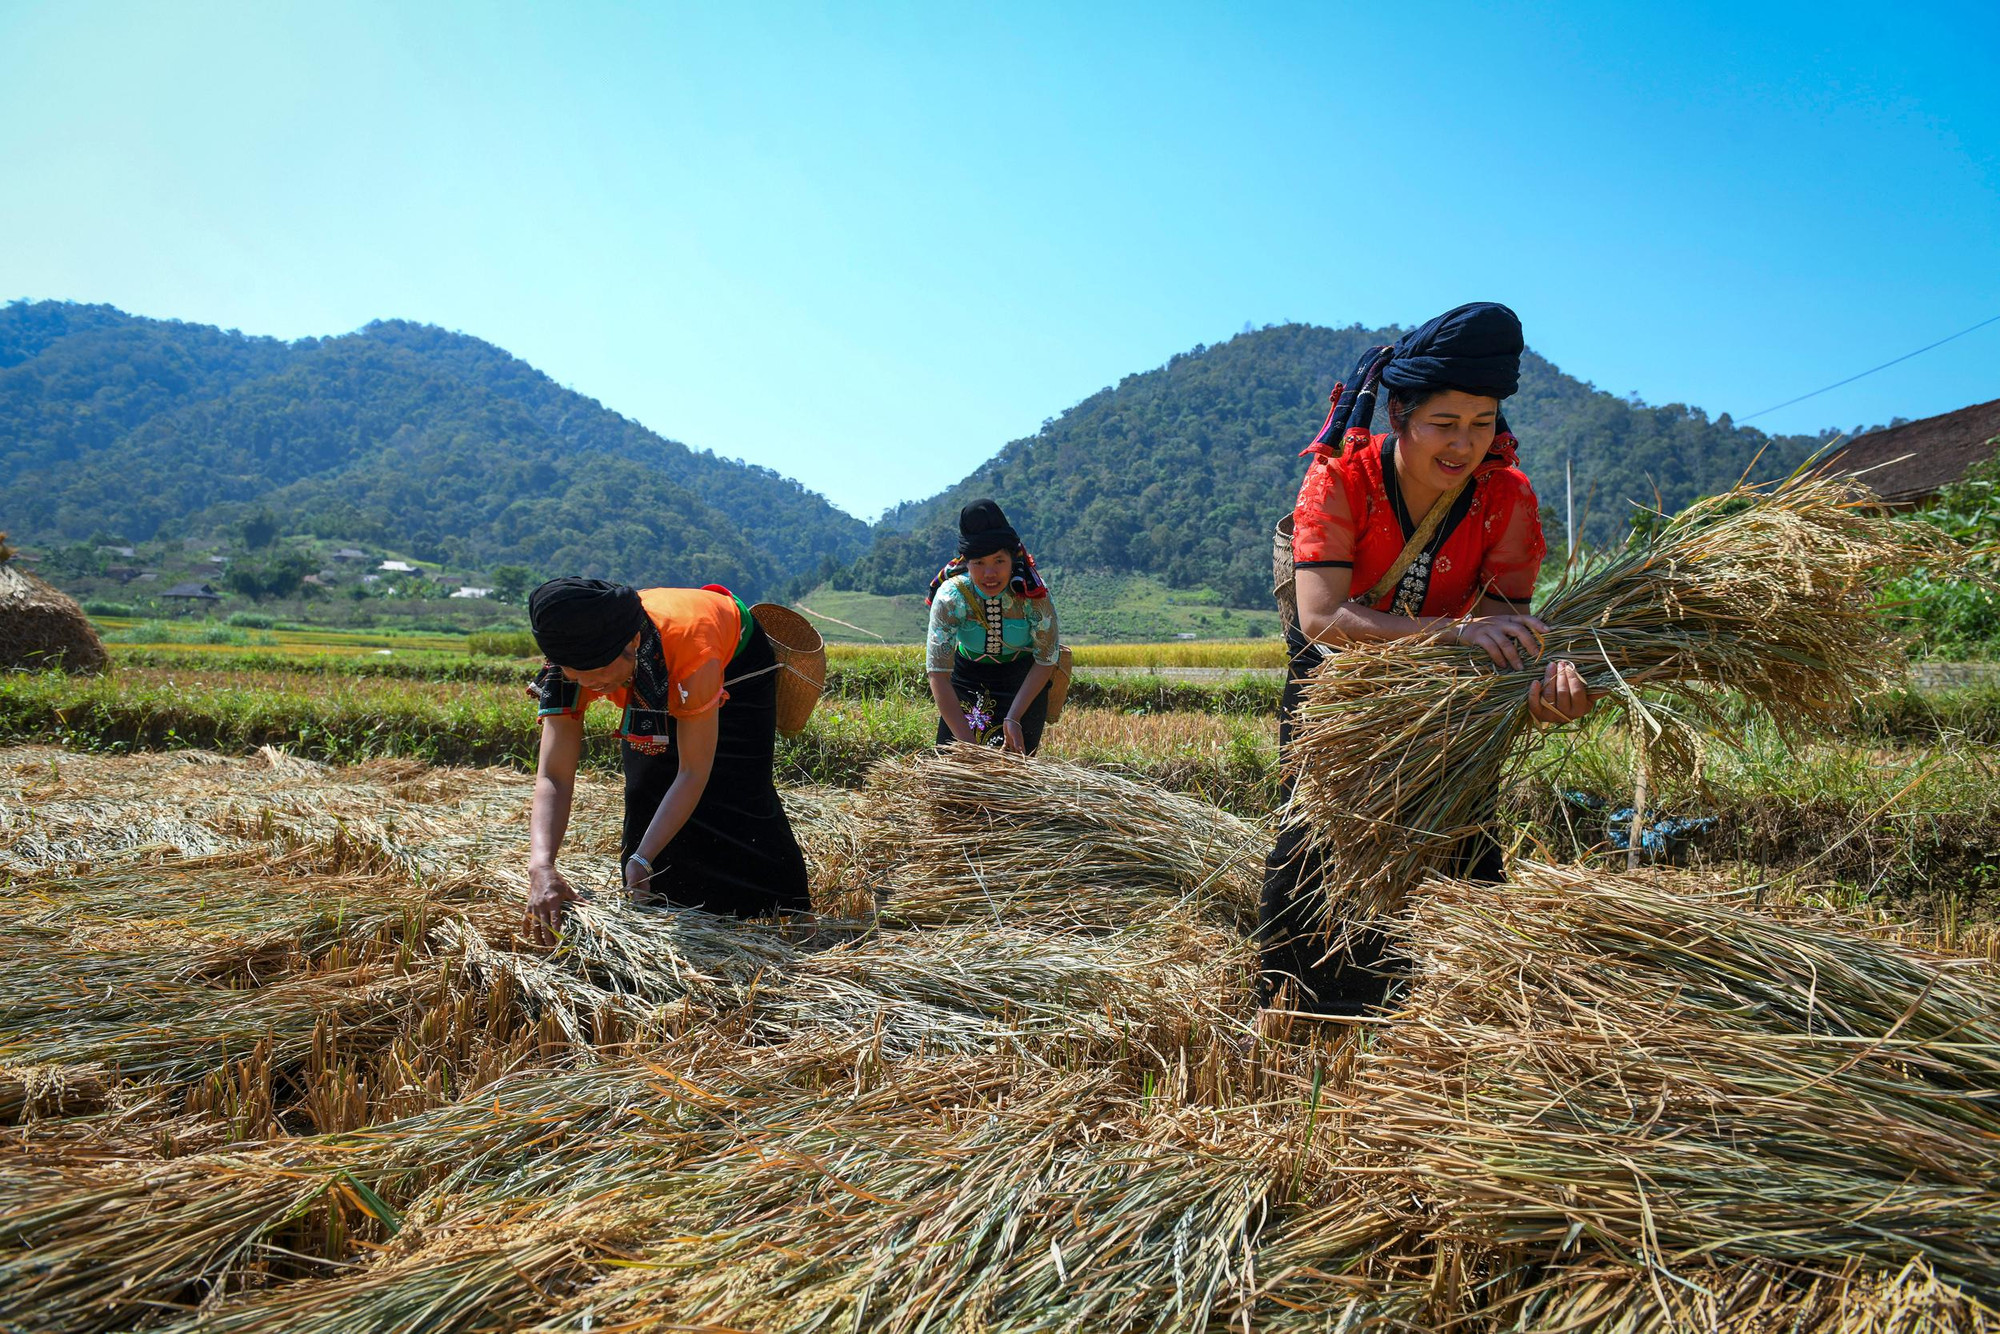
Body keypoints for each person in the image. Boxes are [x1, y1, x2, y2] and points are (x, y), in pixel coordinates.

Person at [1261, 302, 1596, 1013]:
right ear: (1400, 418)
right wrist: (1452, 632)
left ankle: (1451, 1008)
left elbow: (1504, 629)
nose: (1463, 444)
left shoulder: (1507, 499)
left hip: (1445, 698)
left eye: (1481, 425)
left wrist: (1539, 684)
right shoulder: (1341, 480)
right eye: (1443, 424)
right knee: (1317, 838)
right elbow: (1322, 618)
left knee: (1459, 834)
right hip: (1338, 687)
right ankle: (1307, 1010)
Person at [521, 577, 810, 944]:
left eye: (598, 674)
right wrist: (542, 864)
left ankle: (789, 914)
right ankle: (666, 908)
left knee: (737, 785)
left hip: (732, 662)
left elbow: (693, 771)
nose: (590, 686)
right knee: (647, 786)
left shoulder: (693, 653)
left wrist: (644, 857)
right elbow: (554, 774)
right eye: (577, 675)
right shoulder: (571, 662)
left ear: (633, 643)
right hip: (660, 661)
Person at [926, 499, 1062, 754]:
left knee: (1012, 778)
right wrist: (968, 746)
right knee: (954, 775)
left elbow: (1046, 660)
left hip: (1023, 685)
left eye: (999, 561)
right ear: (967, 563)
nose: (990, 573)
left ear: (1013, 559)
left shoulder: (1034, 595)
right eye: (979, 563)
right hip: (966, 682)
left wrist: (1013, 718)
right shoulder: (951, 597)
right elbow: (938, 674)